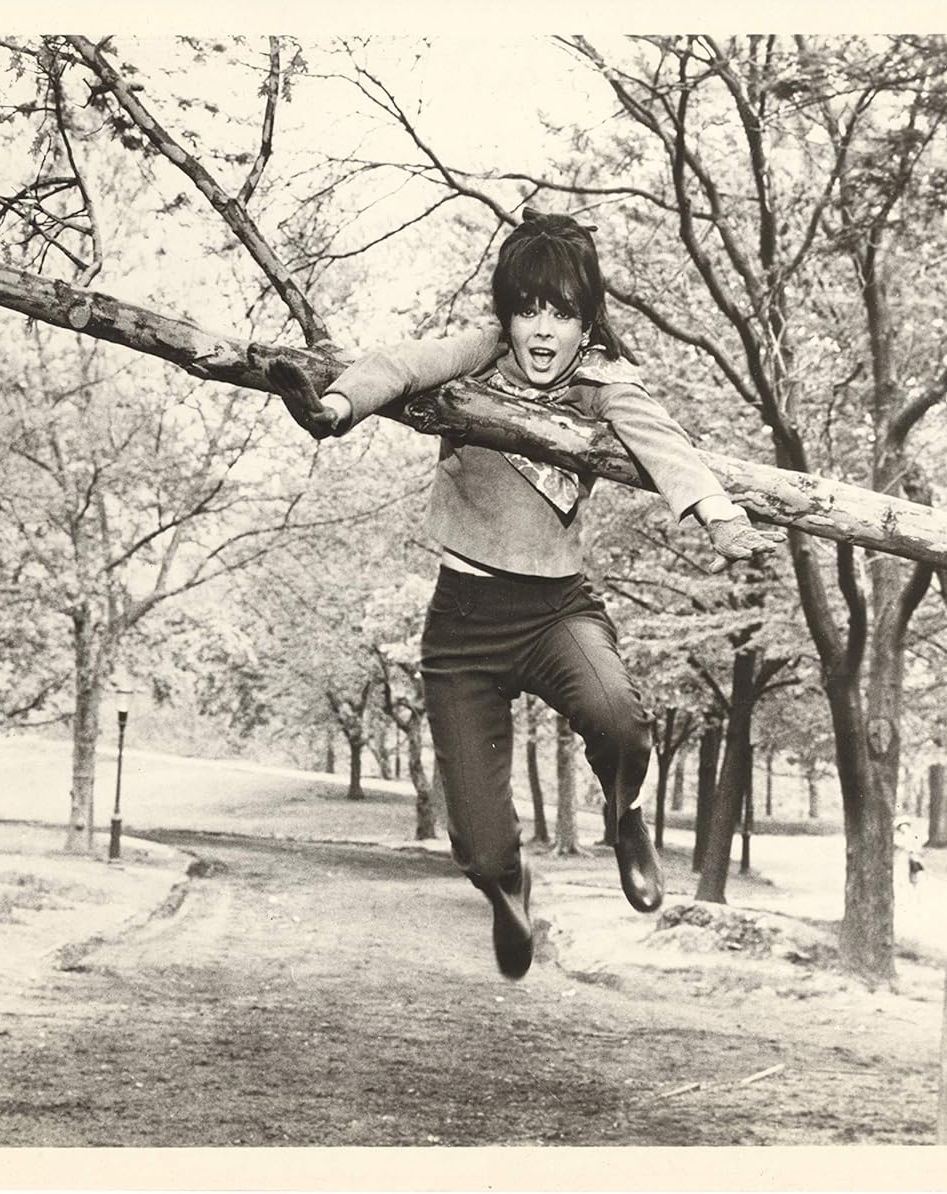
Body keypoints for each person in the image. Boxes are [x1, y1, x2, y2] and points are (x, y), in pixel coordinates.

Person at [267, 208, 784, 979]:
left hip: (555, 611)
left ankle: (626, 815)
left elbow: (666, 444)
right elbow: (401, 362)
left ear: (587, 321)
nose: (543, 331)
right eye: (528, 311)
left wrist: (719, 517)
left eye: (563, 314)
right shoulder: (477, 356)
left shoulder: (606, 381)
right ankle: (507, 887)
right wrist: (334, 408)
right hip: (464, 626)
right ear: (507, 316)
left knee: (620, 720)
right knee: (475, 842)